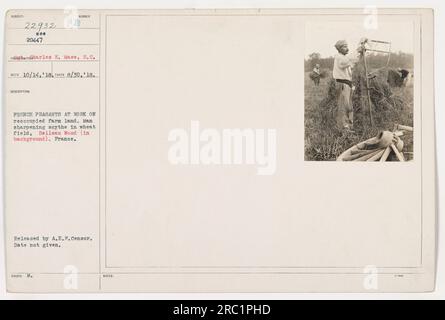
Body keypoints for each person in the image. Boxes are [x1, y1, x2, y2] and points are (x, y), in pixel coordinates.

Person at [333, 40, 356, 130]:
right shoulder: (339, 57)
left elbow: (352, 62)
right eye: (344, 46)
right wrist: (358, 50)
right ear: (339, 48)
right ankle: (344, 129)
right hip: (342, 84)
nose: (347, 48)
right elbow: (346, 62)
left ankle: (349, 126)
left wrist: (360, 53)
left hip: (347, 84)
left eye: (347, 46)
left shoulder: (344, 58)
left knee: (349, 106)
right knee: (343, 107)